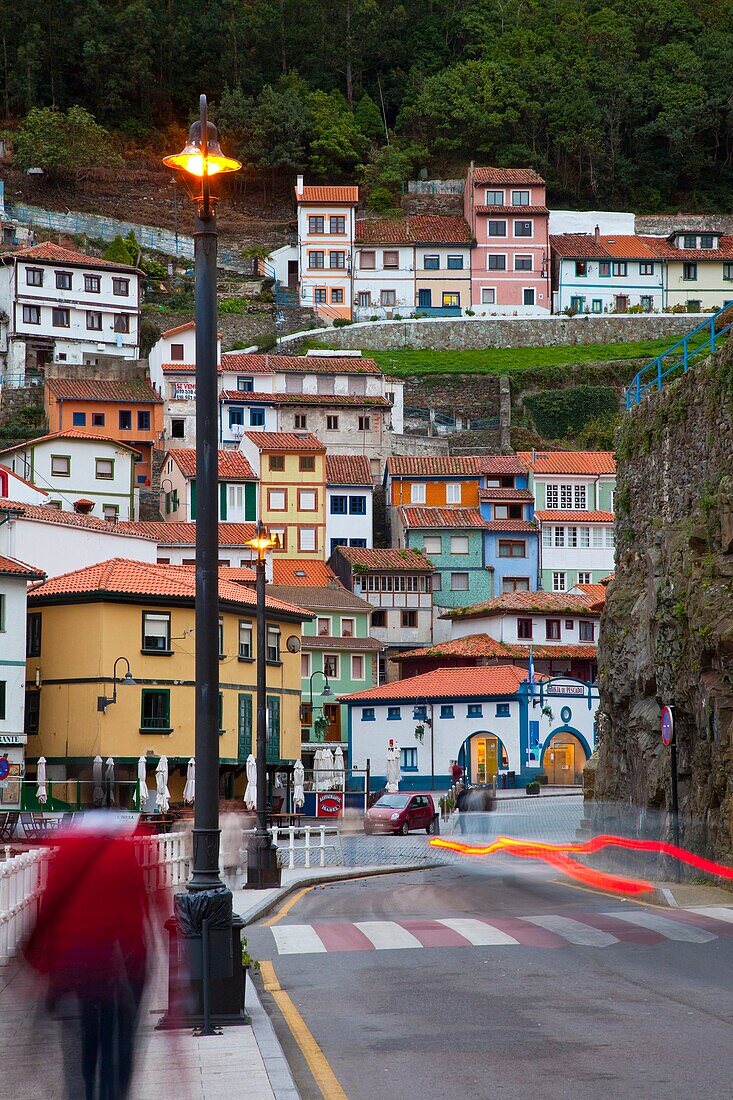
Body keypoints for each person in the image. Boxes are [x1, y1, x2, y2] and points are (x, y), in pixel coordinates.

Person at [24, 813, 153, 1100]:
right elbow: (140, 909)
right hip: (118, 967)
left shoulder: (67, 850)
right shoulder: (124, 851)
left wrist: (42, 966)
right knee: (116, 1044)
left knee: (80, 1045)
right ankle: (114, 1091)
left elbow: (49, 908)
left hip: (75, 966)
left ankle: (82, 1090)